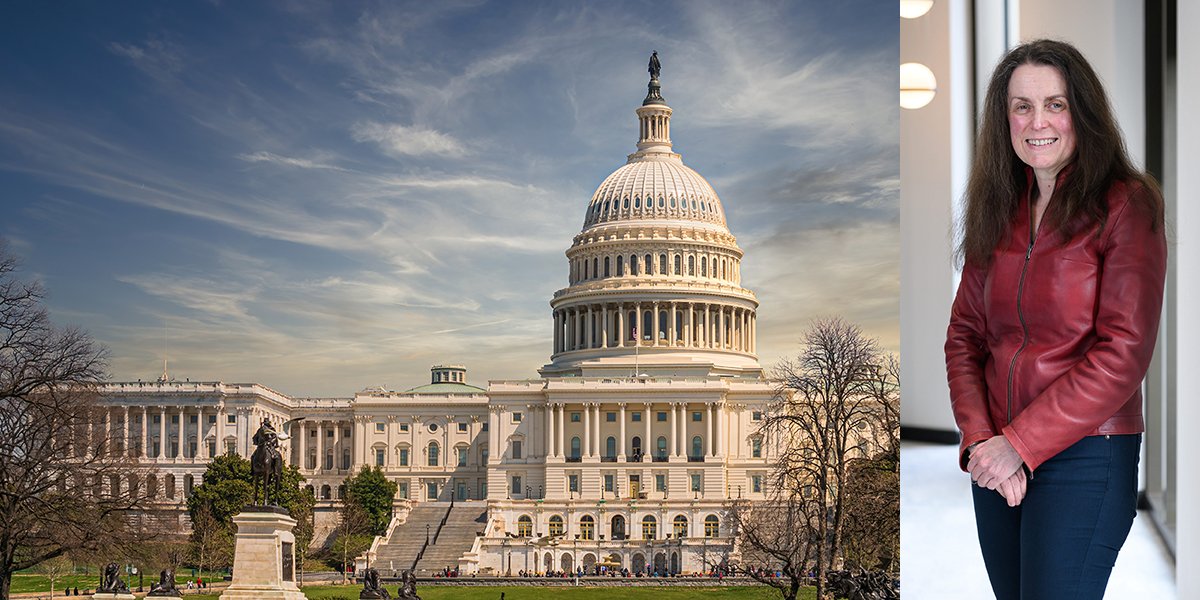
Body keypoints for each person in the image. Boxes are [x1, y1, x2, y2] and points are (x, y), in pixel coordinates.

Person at [945, 39, 1167, 600]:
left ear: (1081, 113)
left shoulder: (1125, 204)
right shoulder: (996, 205)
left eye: (1055, 104)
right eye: (1021, 106)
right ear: (1005, 118)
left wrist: (1020, 442)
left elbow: (1124, 352)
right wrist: (980, 439)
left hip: (1088, 451)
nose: (1036, 121)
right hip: (997, 453)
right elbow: (965, 337)